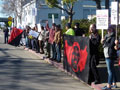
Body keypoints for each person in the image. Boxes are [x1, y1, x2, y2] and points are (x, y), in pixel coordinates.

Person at [101, 25, 117, 90]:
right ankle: (114, 83)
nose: (108, 30)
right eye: (107, 29)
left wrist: (104, 42)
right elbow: (105, 45)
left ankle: (109, 85)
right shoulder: (106, 36)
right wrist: (103, 42)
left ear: (112, 30)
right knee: (112, 70)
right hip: (107, 54)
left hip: (110, 55)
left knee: (109, 71)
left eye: (109, 29)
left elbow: (110, 45)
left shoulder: (113, 36)